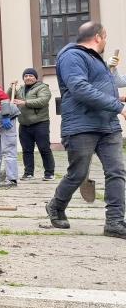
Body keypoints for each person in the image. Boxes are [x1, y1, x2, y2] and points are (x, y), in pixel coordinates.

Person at [46, 22, 126, 239]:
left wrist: (117, 98)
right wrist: (119, 107)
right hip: (82, 126)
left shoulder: (97, 62)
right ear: (99, 37)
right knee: (78, 173)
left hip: (108, 126)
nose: (105, 43)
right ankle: (56, 206)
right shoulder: (72, 56)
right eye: (105, 39)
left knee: (117, 171)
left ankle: (115, 222)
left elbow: (97, 90)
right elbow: (80, 89)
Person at [13, 68, 55, 181]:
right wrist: (11, 87)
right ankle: (28, 173)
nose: (28, 77)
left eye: (31, 75)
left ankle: (49, 173)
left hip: (40, 123)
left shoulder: (43, 88)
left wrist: (25, 102)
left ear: (36, 78)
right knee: (26, 150)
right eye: (26, 76)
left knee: (44, 148)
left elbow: (42, 101)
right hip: (24, 124)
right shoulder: (20, 90)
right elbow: (9, 98)